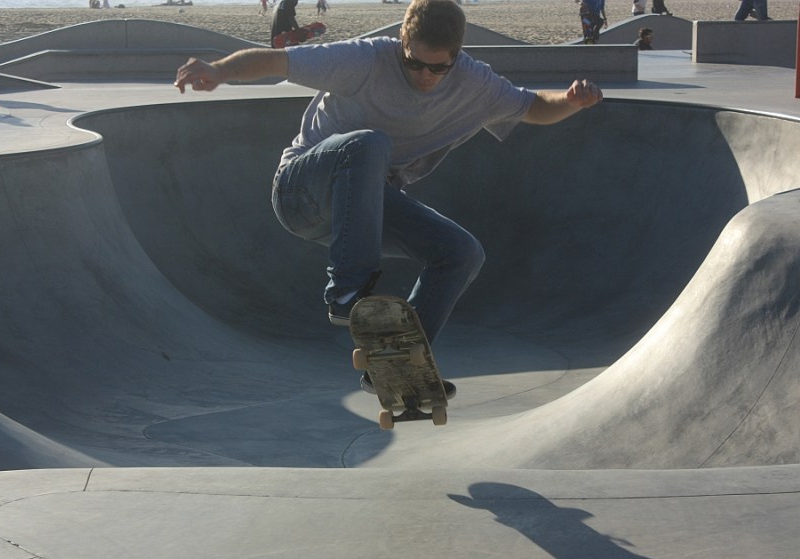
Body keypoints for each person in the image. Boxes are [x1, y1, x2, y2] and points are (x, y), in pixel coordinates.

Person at [174, 0, 603, 395]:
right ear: (402, 42)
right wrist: (219, 70)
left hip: (364, 211)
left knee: (461, 253)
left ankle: (395, 363)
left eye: (439, 68)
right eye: (414, 63)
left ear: (457, 54)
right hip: (301, 192)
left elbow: (532, 107)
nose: (425, 76)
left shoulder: (475, 83)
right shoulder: (365, 60)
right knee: (368, 144)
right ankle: (346, 292)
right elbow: (276, 60)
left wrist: (569, 101)